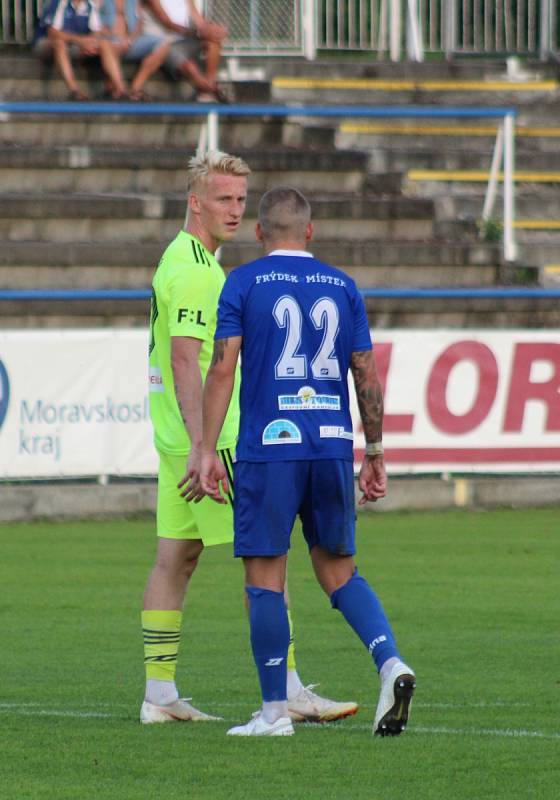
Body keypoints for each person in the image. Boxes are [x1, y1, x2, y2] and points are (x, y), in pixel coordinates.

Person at [141, 151, 359, 725]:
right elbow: (186, 359)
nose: (235, 210)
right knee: (267, 564)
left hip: (175, 436)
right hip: (217, 441)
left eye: (241, 200)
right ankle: (285, 689)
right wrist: (203, 446)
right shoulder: (194, 269)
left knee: (175, 559)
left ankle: (158, 696)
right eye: (223, 199)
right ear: (195, 202)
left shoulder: (191, 259)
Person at [200, 186, 416, 737]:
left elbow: (223, 369)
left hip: (269, 449)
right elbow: (365, 371)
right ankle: (390, 662)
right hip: (329, 445)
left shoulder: (242, 282)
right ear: (310, 232)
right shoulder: (342, 286)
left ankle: (274, 711)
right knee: (340, 571)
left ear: (259, 233)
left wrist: (206, 449)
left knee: (265, 577)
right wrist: (374, 451)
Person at [34, 0, 128, 100]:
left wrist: (90, 43)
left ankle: (120, 89)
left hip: (75, 44)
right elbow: (52, 33)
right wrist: (80, 40)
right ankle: (74, 90)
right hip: (47, 43)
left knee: (105, 43)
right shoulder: (58, 3)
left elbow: (96, 31)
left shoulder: (89, 4)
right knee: (59, 44)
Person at [141, 0, 228, 102]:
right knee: (190, 67)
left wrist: (212, 30)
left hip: (185, 39)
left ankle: (208, 86)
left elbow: (199, 20)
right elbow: (166, 22)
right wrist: (197, 33)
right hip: (163, 43)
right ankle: (211, 89)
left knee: (213, 43)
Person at [100, 0, 171, 101]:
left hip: (130, 41)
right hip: (108, 40)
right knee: (104, 44)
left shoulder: (134, 1)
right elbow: (94, 21)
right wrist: (105, 34)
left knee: (163, 44)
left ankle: (135, 88)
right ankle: (121, 89)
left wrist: (130, 40)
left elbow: (139, 23)